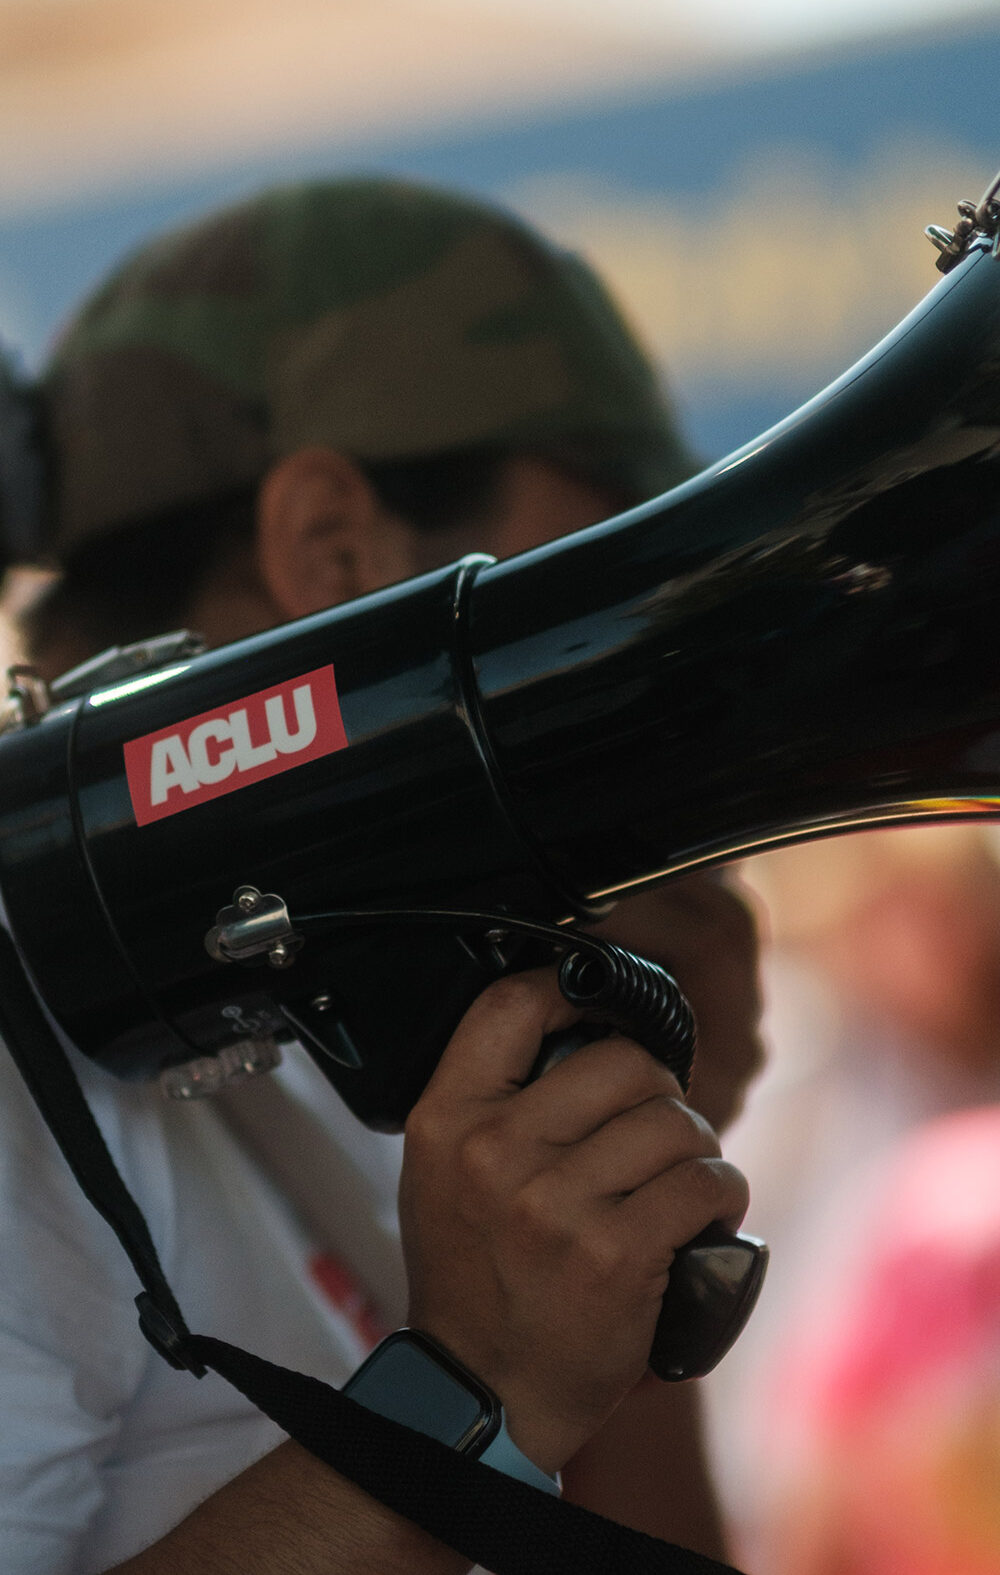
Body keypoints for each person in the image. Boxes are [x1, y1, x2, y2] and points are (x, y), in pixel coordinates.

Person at [0, 176, 764, 1574]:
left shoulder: (332, 1011)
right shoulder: (21, 1051)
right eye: (588, 569)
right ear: (332, 544)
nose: (649, 639)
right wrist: (462, 1394)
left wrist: (631, 1204)